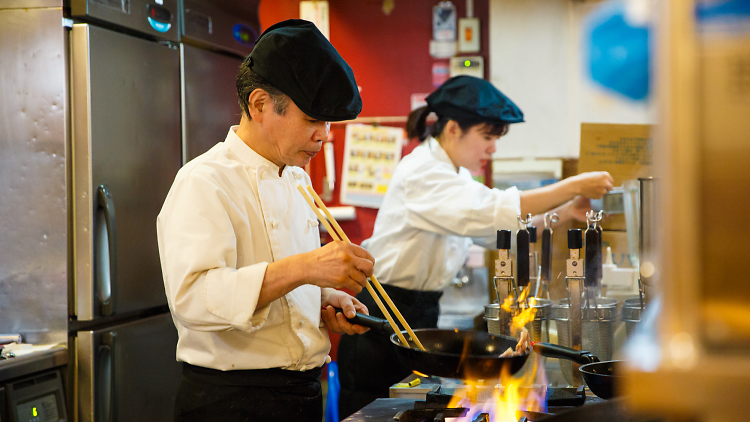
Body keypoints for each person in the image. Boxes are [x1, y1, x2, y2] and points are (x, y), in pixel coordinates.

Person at [337, 75, 614, 418]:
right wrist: (574, 184)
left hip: (421, 312)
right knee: (377, 411)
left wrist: (564, 211)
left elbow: (496, 232)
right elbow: (496, 210)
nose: (493, 148)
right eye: (487, 136)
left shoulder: (456, 176)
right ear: (453, 128)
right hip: (382, 316)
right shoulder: (423, 172)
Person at [157, 20, 374, 422]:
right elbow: (194, 298)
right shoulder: (204, 181)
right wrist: (309, 266)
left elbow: (280, 283)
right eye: (312, 120)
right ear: (259, 104)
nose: (323, 136)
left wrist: (323, 299)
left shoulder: (296, 179)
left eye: (327, 124)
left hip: (301, 394)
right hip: (231, 403)